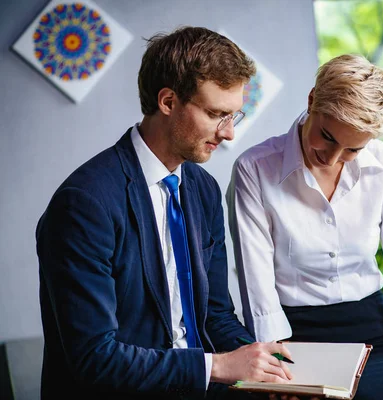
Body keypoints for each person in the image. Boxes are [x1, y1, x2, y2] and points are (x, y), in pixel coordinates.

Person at [35, 26, 295, 399]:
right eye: (216, 114)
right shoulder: (84, 203)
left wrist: (266, 366)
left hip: (199, 385)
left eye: (233, 116)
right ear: (168, 101)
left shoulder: (204, 190)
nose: (229, 134)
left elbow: (216, 315)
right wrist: (218, 366)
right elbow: (94, 357)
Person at [227, 54, 383, 400]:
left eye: (353, 149)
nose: (332, 158)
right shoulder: (255, 169)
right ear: (311, 101)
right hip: (294, 338)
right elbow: (257, 288)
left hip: (374, 334)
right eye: (328, 137)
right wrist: (278, 367)